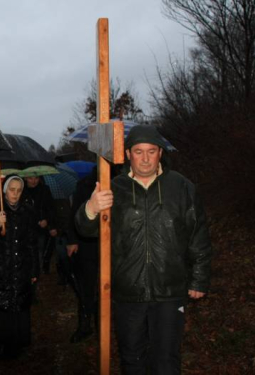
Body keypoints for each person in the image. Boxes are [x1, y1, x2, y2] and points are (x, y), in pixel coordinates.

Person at [75, 125, 212, 374]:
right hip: (128, 291)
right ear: (128, 154)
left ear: (160, 152)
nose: (145, 158)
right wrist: (91, 209)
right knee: (132, 359)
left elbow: (198, 235)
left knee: (166, 361)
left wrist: (199, 279)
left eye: (151, 151)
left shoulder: (181, 187)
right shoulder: (114, 188)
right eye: (139, 151)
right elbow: (84, 230)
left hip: (170, 290)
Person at [0, 175, 38, 359]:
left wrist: (34, 270)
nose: (15, 194)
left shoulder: (27, 211)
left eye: (19, 190)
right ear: (5, 190)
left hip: (20, 269)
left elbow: (31, 243)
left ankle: (14, 346)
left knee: (17, 309)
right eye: (12, 189)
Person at [68, 169, 99, 343]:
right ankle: (85, 325)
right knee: (86, 288)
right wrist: (72, 240)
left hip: (114, 249)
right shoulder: (85, 184)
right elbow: (74, 214)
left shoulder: (122, 181)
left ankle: (103, 326)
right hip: (87, 246)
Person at [22, 176, 56, 273]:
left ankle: (37, 272)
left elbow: (51, 208)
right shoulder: (21, 190)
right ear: (25, 178)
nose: (33, 181)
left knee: (39, 250)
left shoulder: (44, 190)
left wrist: (47, 220)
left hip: (41, 227)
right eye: (31, 178)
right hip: (26, 226)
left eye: (36, 178)